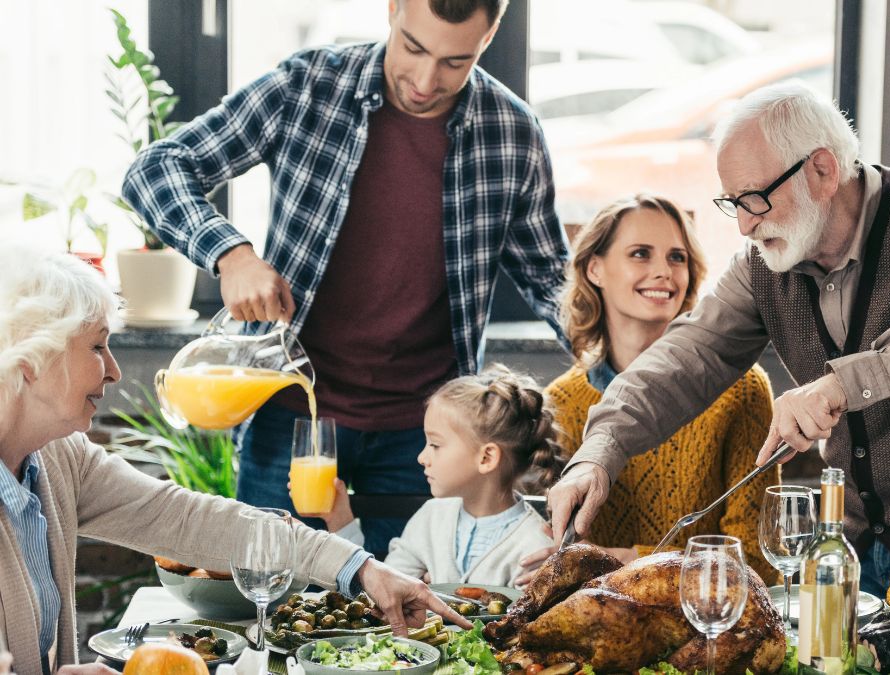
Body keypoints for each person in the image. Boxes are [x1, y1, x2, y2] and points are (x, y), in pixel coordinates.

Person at [546, 81, 890, 597]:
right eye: (733, 203)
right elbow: (687, 355)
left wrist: (841, 384)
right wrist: (598, 452)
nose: (745, 225)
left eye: (757, 199)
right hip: (855, 554)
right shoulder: (763, 265)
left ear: (823, 170)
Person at [121, 0, 569, 558]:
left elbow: (554, 281)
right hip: (291, 419)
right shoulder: (308, 87)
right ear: (393, 9)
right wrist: (230, 255)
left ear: (491, 35)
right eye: (414, 47)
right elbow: (156, 169)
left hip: (428, 437)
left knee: (408, 619)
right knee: (272, 596)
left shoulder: (512, 133)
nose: (427, 82)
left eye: (456, 62)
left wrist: (642, 366)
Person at [0, 247, 470, 675]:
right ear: (32, 358)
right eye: (98, 346)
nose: (114, 370)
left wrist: (365, 569)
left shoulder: (60, 458)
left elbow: (189, 520)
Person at [514, 194, 778, 585]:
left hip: (703, 623)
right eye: (640, 254)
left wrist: (634, 562)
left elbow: (757, 560)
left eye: (678, 257)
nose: (664, 272)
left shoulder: (743, 390)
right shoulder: (560, 402)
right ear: (595, 269)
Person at [305, 366, 562, 587]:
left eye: (435, 445)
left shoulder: (535, 546)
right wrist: (341, 522)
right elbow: (380, 591)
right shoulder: (431, 517)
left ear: (486, 458)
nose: (421, 457)